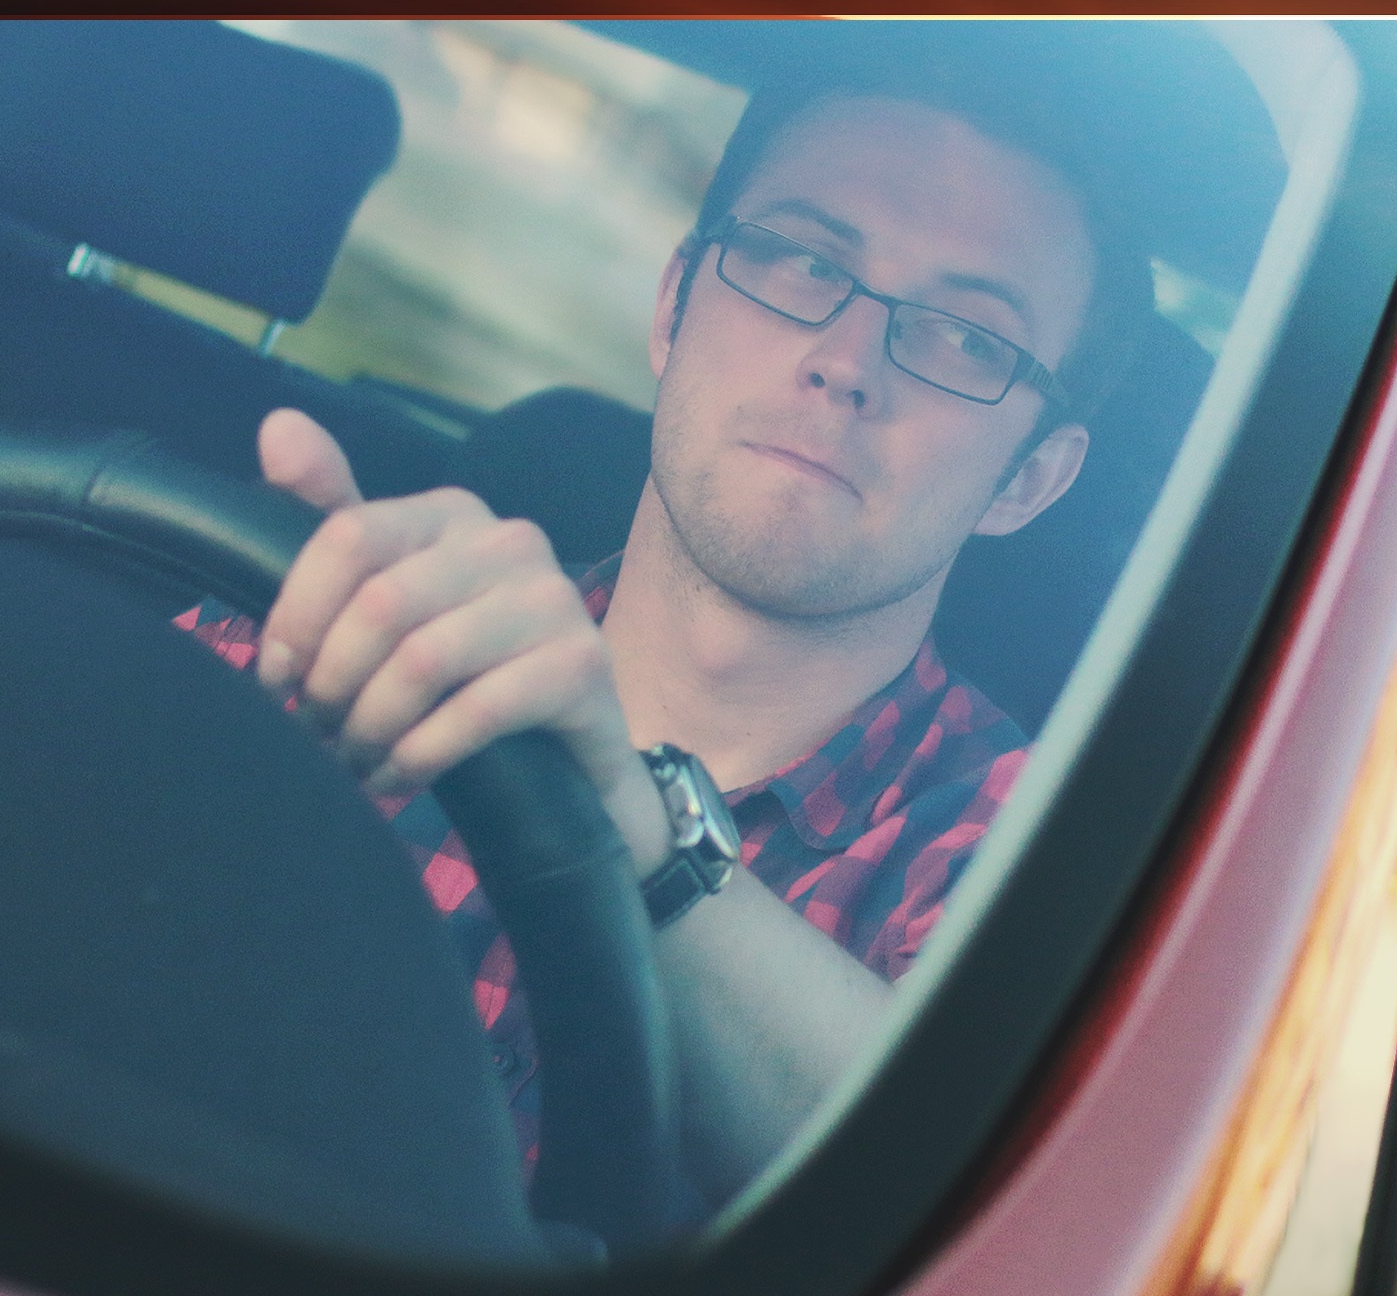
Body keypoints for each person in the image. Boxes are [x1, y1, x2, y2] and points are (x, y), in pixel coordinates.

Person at [188, 64, 1145, 1203]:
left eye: (968, 339)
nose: (847, 361)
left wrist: (643, 834)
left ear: (1029, 479)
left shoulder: (1048, 867)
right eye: (803, 261)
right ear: (672, 308)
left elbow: (970, 1219)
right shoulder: (349, 619)